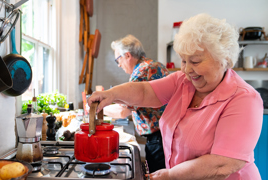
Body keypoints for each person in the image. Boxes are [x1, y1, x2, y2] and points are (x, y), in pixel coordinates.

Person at [87, 13, 263, 179]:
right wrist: (110, 94)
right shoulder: (183, 81)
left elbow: (222, 165)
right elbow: (144, 91)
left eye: (194, 61)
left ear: (224, 59)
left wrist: (171, 175)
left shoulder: (244, 99)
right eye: (184, 61)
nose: (186, 69)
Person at [98, 34, 169, 172]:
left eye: (118, 60)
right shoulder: (152, 65)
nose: (118, 65)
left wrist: (96, 108)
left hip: (159, 139)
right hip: (163, 136)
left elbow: (123, 111)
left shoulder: (143, 71)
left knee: (159, 175)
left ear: (128, 56)